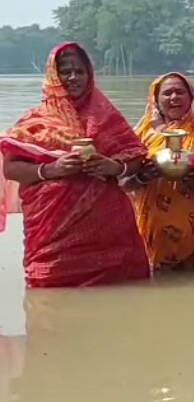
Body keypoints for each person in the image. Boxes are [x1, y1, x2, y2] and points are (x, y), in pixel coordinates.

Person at [0, 42, 150, 287]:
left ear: (89, 75)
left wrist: (114, 167)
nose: (73, 78)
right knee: (48, 285)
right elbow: (10, 168)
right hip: (52, 229)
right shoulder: (35, 121)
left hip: (108, 227)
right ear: (53, 76)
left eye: (79, 71)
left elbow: (135, 156)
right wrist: (51, 169)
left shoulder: (105, 115)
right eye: (65, 72)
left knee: (120, 288)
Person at [126, 72, 194, 270]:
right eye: (167, 93)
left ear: (190, 97)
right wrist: (142, 177)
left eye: (180, 92)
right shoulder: (140, 136)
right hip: (150, 229)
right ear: (156, 100)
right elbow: (122, 183)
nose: (174, 97)